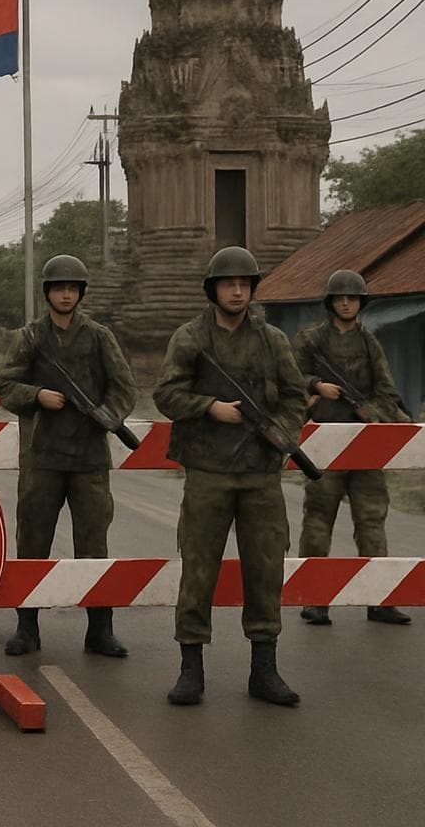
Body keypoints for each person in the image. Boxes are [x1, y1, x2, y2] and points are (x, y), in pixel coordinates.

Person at [154, 246, 306, 707]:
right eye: (228, 283)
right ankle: (191, 669)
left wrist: (280, 433)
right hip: (208, 472)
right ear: (213, 289)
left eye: (245, 283)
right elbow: (166, 394)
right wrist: (210, 408)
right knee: (198, 571)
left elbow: (296, 397)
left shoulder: (272, 340)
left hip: (260, 474)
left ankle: (264, 669)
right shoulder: (190, 337)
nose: (237, 290)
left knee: (266, 570)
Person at [0, 255, 137, 658]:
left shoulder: (98, 336)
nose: (65, 293)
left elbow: (123, 387)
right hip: (42, 456)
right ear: (47, 292)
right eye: (59, 287)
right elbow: (5, 385)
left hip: (89, 457)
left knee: (93, 544)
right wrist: (36, 395)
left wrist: (106, 416)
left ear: (80, 293)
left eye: (72, 288)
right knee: (33, 542)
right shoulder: (31, 337)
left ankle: (100, 630)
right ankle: (27, 627)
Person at [292, 270, 412, 627]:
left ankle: (380, 599)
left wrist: (369, 412)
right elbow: (287, 379)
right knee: (318, 519)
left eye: (353, 297)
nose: (346, 302)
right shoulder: (310, 340)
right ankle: (314, 599)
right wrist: (316, 385)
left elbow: (388, 392)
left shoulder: (369, 343)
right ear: (331, 302)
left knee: (372, 519)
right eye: (340, 297)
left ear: (361, 302)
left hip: (365, 443)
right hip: (326, 440)